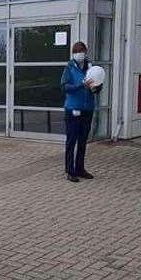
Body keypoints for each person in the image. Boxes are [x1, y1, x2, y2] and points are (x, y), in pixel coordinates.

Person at [60, 42, 102, 182]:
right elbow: (65, 87)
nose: (80, 54)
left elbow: (98, 86)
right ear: (73, 53)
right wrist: (80, 85)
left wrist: (95, 88)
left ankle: (80, 168)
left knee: (83, 140)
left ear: (85, 52)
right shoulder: (69, 68)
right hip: (73, 108)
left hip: (87, 108)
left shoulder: (90, 67)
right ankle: (70, 170)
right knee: (72, 140)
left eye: (82, 51)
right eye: (77, 51)